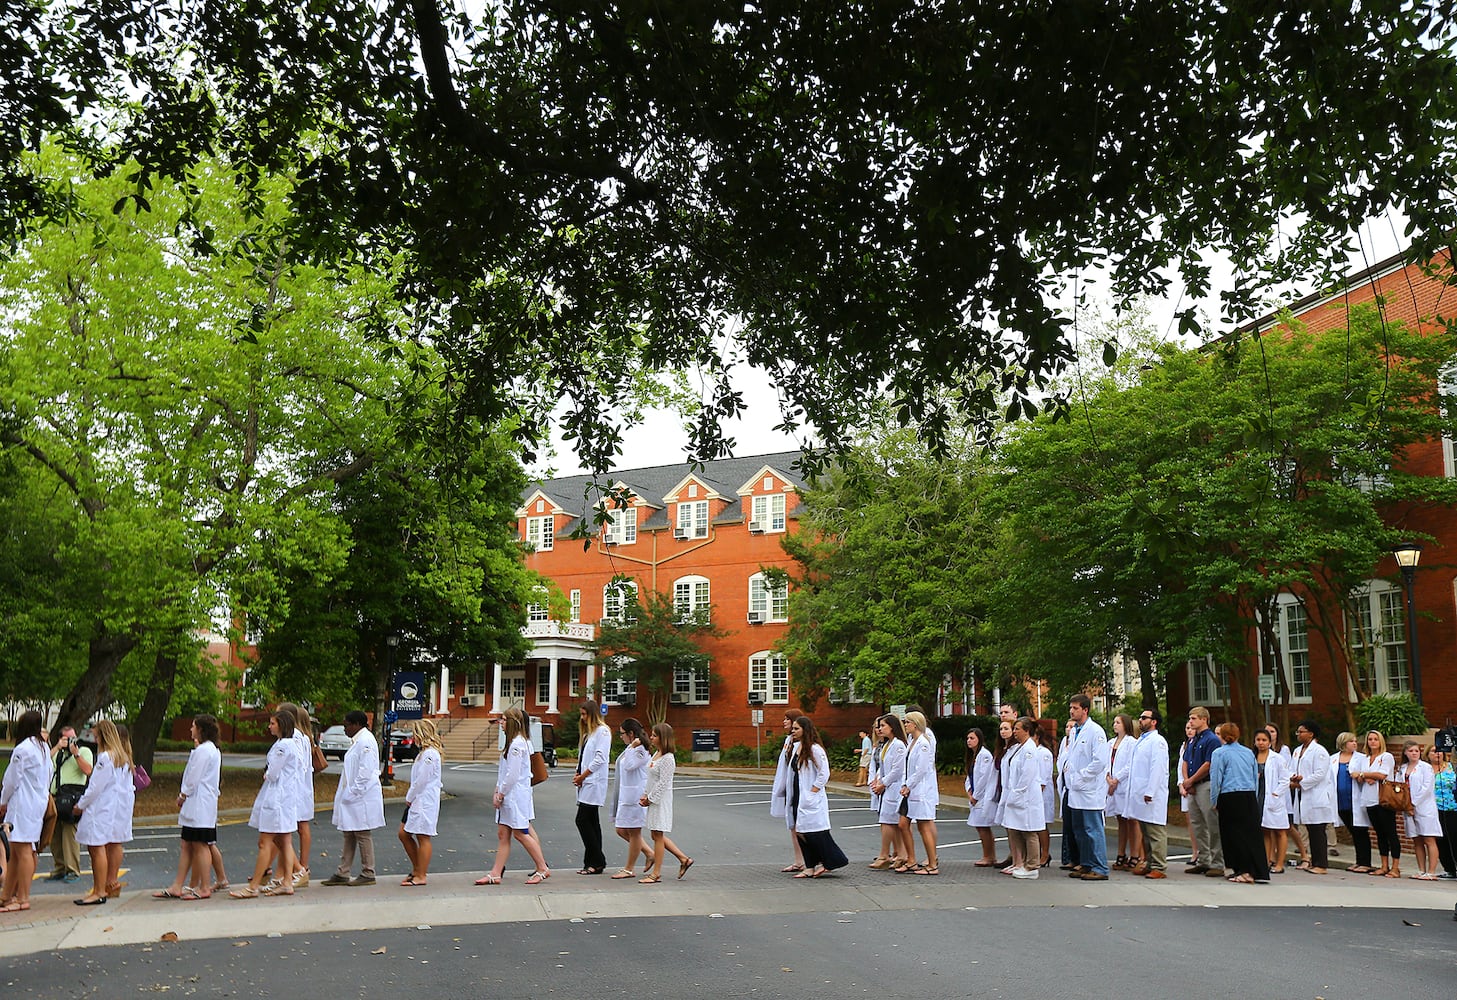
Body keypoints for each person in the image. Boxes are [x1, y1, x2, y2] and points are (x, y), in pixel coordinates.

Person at [232, 709, 306, 898]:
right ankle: (288, 882)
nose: (269, 726)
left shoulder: (283, 746)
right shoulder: (289, 744)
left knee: (265, 842)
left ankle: (253, 886)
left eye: (272, 723)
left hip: (278, 799)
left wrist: (267, 773)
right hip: (286, 799)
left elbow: (272, 773)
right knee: (284, 840)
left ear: (281, 725)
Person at [476, 707, 551, 885]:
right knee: (503, 834)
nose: (500, 723)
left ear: (511, 722)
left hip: (515, 795)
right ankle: (495, 873)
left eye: (503, 720)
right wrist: (497, 790)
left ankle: (542, 867)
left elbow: (513, 774)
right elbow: (504, 772)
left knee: (521, 833)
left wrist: (500, 793)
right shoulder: (513, 743)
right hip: (509, 794)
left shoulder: (518, 744)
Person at [154, 714, 223, 899]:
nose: (190, 729)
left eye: (193, 726)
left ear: (201, 729)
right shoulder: (211, 750)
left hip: (199, 804)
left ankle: (204, 887)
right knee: (187, 844)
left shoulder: (204, 751)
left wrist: (182, 795)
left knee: (200, 845)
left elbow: (193, 778)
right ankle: (178, 885)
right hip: (201, 805)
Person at [72, 719, 136, 904]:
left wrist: (80, 805)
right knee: (110, 843)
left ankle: (99, 891)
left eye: (96, 735)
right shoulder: (121, 757)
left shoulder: (106, 757)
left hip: (100, 809)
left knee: (96, 847)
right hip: (113, 807)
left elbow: (94, 787)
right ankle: (108, 884)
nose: (94, 739)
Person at [0, 710, 52, 912]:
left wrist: (3, 800)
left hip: (23, 803)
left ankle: (22, 897)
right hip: (36, 801)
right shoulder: (43, 747)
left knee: (23, 851)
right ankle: (6, 895)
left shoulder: (23, 749)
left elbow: (11, 779)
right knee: (17, 849)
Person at [1209, 722, 1268, 884]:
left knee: (1233, 835)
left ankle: (1243, 870)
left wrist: (1214, 800)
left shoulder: (1219, 753)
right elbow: (1254, 776)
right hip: (1248, 795)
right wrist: (1254, 798)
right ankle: (1253, 869)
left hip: (1229, 795)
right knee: (1251, 834)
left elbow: (1216, 779)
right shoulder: (1248, 752)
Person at [789, 716, 848, 878]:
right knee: (800, 831)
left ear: (805, 730)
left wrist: (813, 791)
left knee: (813, 832)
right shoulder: (797, 747)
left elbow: (824, 772)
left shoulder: (815, 749)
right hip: (799, 795)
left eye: (796, 729)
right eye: (792, 729)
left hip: (810, 796)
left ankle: (830, 861)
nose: (793, 731)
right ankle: (810, 866)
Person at [1061, 694, 1111, 880]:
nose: (1072, 711)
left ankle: (1100, 867)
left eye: (1075, 708)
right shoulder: (1075, 731)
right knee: (1080, 830)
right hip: (1075, 789)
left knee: (1092, 829)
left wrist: (1082, 776)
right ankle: (1086, 863)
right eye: (1071, 708)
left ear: (1085, 710)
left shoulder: (1095, 731)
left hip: (1089, 789)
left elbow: (1099, 762)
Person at [638, 722, 691, 883]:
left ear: (663, 738)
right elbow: (651, 779)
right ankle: (683, 859)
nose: (651, 738)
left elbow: (663, 783)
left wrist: (650, 798)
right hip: (653, 798)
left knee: (658, 835)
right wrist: (645, 795)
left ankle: (656, 873)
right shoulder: (656, 755)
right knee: (655, 834)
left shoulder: (668, 758)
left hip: (661, 800)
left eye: (654, 735)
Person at [398, 718, 443, 886]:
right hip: (418, 799)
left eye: (414, 733)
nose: (413, 737)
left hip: (424, 800)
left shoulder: (430, 754)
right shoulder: (424, 753)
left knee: (423, 836)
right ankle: (417, 868)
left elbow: (421, 780)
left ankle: (421, 875)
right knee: (403, 833)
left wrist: (409, 797)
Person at [277, 702, 317, 888]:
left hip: (297, 789)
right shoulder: (301, 737)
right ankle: (291, 870)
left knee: (286, 831)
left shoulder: (295, 738)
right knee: (295, 828)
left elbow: (297, 765)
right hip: (300, 788)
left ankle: (300, 868)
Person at [1181, 706, 1224, 877]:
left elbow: (1208, 764)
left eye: (1194, 718)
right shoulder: (1193, 740)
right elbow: (1186, 761)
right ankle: (1203, 859)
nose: (1190, 721)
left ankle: (1217, 862)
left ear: (1204, 719)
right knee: (1197, 824)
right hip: (1192, 786)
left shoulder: (1211, 739)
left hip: (1205, 785)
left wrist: (1191, 780)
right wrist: (1186, 780)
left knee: (1211, 824)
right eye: (1190, 718)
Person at [48, 725, 93, 884]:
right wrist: (57, 747)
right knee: (54, 835)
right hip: (55, 796)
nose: (71, 741)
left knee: (69, 834)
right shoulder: (57, 753)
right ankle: (59, 868)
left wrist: (76, 754)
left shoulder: (84, 751)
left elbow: (88, 771)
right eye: (68, 738)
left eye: (73, 737)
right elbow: (44, 762)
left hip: (72, 797)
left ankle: (72, 870)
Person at [1288, 719, 1334, 875]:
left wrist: (1302, 783)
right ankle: (1314, 862)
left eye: (1301, 732)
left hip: (1316, 794)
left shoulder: (1319, 751)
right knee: (1310, 828)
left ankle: (1321, 864)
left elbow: (1320, 774)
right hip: (1302, 795)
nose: (1298, 734)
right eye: (1298, 732)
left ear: (1311, 734)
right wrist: (1293, 778)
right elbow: (1291, 768)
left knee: (1318, 830)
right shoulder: (1297, 750)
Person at [1128, 709, 1169, 878]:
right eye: (1140, 717)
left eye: (1144, 718)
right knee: (1145, 830)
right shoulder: (1142, 741)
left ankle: (1159, 866)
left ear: (1154, 722)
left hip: (1152, 793)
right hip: (1141, 791)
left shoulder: (1158, 741)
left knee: (1155, 830)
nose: (1140, 720)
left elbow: (1157, 768)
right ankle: (1150, 862)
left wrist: (1150, 790)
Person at [572, 700, 612, 875]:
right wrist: (577, 774)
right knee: (592, 823)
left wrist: (583, 775)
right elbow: (583, 757)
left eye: (584, 714)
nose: (582, 718)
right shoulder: (588, 734)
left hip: (593, 782)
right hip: (585, 781)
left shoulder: (602, 732)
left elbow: (600, 758)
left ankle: (598, 859)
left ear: (592, 714)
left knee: (582, 820)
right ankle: (592, 863)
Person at [1351, 729, 1398, 877]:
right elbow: (1357, 776)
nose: (1372, 742)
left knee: (1391, 833)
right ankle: (1384, 865)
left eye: (1375, 739)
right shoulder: (1365, 758)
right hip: (1369, 799)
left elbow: (1382, 774)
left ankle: (1395, 867)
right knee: (1379, 834)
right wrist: (1365, 776)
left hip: (1383, 799)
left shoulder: (1386, 757)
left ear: (1380, 741)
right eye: (1370, 739)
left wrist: (1365, 775)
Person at [609, 717, 652, 879]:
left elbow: (628, 765)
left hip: (636, 797)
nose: (620, 736)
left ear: (631, 733)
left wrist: (631, 747)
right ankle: (649, 853)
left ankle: (629, 869)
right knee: (621, 830)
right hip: (627, 795)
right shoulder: (632, 748)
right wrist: (630, 747)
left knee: (634, 832)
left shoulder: (640, 750)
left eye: (622, 733)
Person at [1002, 718, 1045, 879]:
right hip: (1017, 796)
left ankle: (1032, 866)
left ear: (1026, 730)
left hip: (1026, 797)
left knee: (1029, 831)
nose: (1014, 732)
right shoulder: (1019, 748)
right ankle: (1024, 863)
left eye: (1017, 729)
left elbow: (1027, 775)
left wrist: (1017, 793)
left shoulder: (1029, 749)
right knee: (1018, 829)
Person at [869, 715, 910, 871]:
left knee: (888, 822)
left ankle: (884, 855)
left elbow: (897, 770)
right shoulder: (888, 744)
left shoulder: (899, 745)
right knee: (890, 822)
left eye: (883, 725)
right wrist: (877, 780)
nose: (880, 729)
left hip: (894, 788)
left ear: (892, 727)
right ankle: (901, 855)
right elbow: (883, 767)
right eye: (879, 726)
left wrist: (882, 784)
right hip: (887, 788)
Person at [901, 711, 939, 875]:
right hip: (911, 790)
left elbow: (921, 770)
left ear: (915, 724)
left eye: (907, 722)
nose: (905, 725)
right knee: (903, 824)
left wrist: (908, 785)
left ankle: (932, 864)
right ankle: (911, 860)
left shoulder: (923, 743)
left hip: (920, 791)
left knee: (924, 827)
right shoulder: (912, 742)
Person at [769, 709, 807, 873]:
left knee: (801, 826)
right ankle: (798, 860)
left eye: (786, 719)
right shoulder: (789, 740)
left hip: (799, 789)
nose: (783, 722)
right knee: (792, 826)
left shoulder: (803, 744)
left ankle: (808, 860)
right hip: (789, 788)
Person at [1398, 741, 1441, 880]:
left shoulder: (1426, 767)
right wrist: (1405, 805)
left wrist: (1412, 804)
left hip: (1424, 807)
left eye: (1416, 751)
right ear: (1405, 753)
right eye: (1411, 751)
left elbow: (1426, 788)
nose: (1414, 753)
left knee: (1429, 839)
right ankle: (1421, 870)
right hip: (1408, 809)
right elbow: (1399, 788)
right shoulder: (1402, 768)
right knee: (1416, 840)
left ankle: (1431, 871)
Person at [1332, 731, 1373, 873]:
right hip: (1341, 801)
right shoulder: (1333, 759)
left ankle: (1365, 862)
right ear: (1343, 743)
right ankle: (1358, 861)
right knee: (1353, 832)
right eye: (1351, 741)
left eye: (1355, 741)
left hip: (1355, 800)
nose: (1355, 743)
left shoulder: (1362, 758)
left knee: (1360, 831)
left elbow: (1366, 775)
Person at [1252, 727, 1290, 873]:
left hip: (1273, 798)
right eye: (1258, 740)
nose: (1261, 743)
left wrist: (1276, 794)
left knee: (1280, 831)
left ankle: (1279, 864)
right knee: (1264, 830)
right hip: (1258, 797)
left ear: (1269, 742)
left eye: (1264, 740)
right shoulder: (1252, 757)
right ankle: (1266, 861)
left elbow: (1285, 780)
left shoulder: (1277, 759)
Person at [1107, 713, 1140, 871]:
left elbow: (1130, 765)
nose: (1115, 725)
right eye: (1114, 722)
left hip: (1124, 785)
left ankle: (1135, 854)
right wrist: (1108, 778)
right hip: (1112, 786)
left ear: (1125, 725)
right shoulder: (1110, 743)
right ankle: (1121, 853)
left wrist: (1116, 779)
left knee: (1131, 820)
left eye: (1118, 722)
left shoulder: (1131, 743)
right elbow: (1106, 762)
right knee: (1120, 820)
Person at [965, 727, 999, 866]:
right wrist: (969, 792)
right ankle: (988, 855)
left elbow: (984, 778)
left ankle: (989, 856)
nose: (969, 741)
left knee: (984, 827)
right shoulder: (973, 756)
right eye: (967, 738)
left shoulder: (984, 755)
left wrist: (976, 796)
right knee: (980, 827)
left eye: (972, 738)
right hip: (975, 796)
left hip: (982, 797)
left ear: (979, 739)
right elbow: (970, 777)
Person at [1430, 749, 1457, 880]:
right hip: (1433, 810)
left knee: (1454, 838)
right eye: (1434, 751)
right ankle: (1449, 869)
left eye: (1439, 751)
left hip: (1452, 808)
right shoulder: (1426, 769)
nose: (1437, 754)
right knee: (1440, 840)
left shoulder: (1452, 767)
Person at [1034, 726, 1056, 868]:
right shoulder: (1030, 750)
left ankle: (1045, 854)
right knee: (1033, 826)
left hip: (1041, 794)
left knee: (1042, 825)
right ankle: (1035, 853)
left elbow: (1044, 776)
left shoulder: (1044, 753)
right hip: (1032, 794)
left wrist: (1036, 793)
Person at [1178, 720, 1197, 865]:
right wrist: (1181, 784)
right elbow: (1181, 766)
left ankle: (1203, 852)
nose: (1189, 730)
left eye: (1192, 728)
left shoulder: (1200, 745)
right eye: (1187, 728)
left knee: (1200, 821)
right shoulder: (1184, 747)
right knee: (1190, 821)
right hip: (1185, 786)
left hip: (1197, 785)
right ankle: (1195, 851)